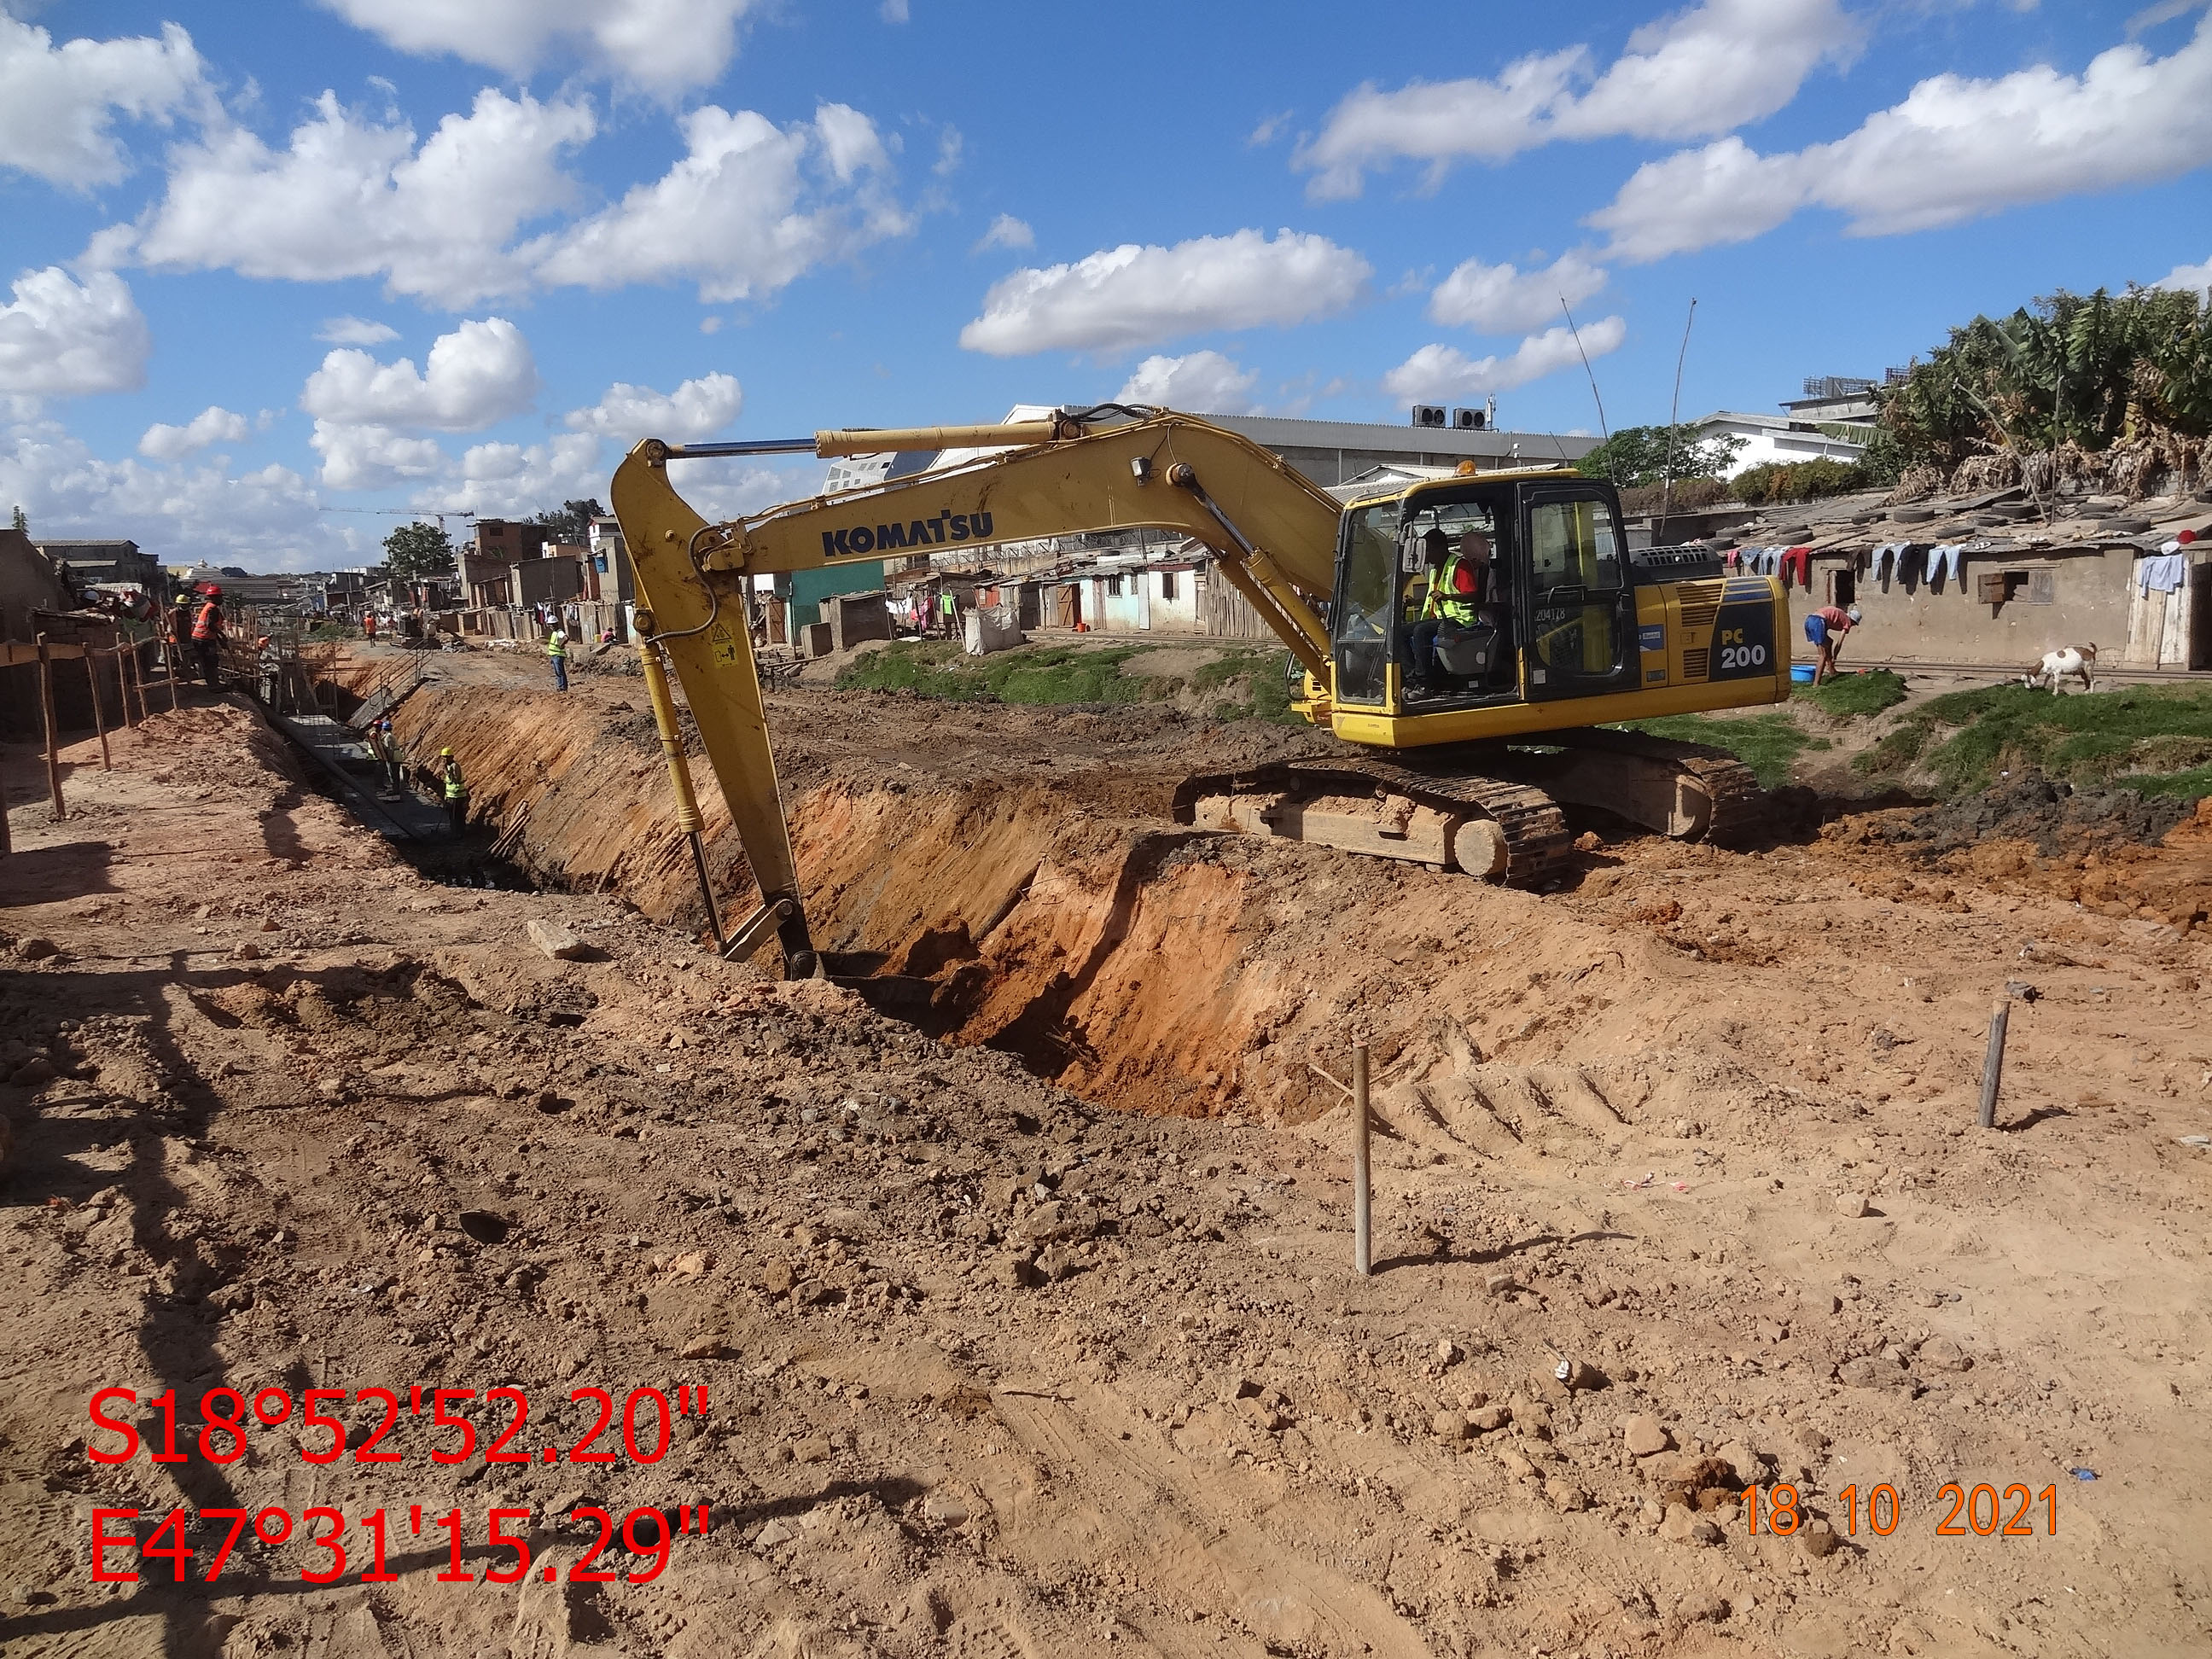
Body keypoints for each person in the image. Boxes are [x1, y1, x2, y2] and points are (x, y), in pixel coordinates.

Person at [1399, 529, 1490, 695]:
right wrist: (1415, 602)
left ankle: (1425, 683)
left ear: (1440, 548)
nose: (1425, 556)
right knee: (1400, 632)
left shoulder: (1459, 565)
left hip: (1459, 620)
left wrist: (1447, 596)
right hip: (1441, 618)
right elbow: (1435, 597)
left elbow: (1473, 595)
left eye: (1428, 551)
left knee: (1420, 631)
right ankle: (1411, 680)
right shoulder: (1435, 570)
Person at [1805, 602, 1856, 683]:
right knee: (1823, 655)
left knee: (1829, 641)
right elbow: (1839, 643)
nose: (1852, 626)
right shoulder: (1847, 621)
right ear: (1852, 620)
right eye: (1854, 624)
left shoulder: (1840, 614)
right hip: (1818, 621)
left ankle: (1831, 670)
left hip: (1809, 620)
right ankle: (1816, 683)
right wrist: (1835, 657)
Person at [191, 587, 227, 687]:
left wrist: (220, 640)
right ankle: (214, 686)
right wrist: (222, 635)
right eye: (220, 597)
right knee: (211, 663)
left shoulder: (208, 607)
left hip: (200, 638)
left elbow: (211, 628)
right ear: (214, 597)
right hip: (205, 640)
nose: (221, 599)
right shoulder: (212, 609)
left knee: (207, 663)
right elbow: (210, 625)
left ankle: (212, 684)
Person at [439, 747, 469, 835]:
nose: (443, 759)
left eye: (445, 757)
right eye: (443, 757)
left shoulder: (455, 766)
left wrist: (446, 771)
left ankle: (458, 833)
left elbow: (455, 780)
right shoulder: (448, 766)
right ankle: (455, 832)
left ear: (450, 757)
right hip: (451, 796)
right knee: (452, 816)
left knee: (456, 816)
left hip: (457, 796)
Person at [546, 624, 569, 690]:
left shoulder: (560, 632)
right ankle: (561, 686)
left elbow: (566, 638)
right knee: (558, 672)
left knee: (560, 672)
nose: (551, 627)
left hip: (558, 655)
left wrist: (561, 645)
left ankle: (563, 687)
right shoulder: (555, 633)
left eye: (551, 625)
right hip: (554, 655)